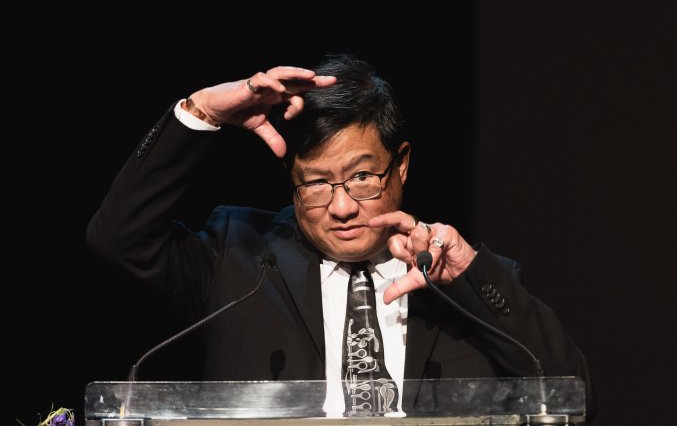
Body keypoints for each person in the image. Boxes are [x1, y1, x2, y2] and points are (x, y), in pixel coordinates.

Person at [86, 53, 597, 420]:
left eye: (361, 177)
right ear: (291, 180)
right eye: (315, 183)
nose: (342, 206)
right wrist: (201, 113)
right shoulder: (236, 256)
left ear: (401, 166)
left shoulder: (464, 278)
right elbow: (118, 238)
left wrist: (468, 276)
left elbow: (573, 396)